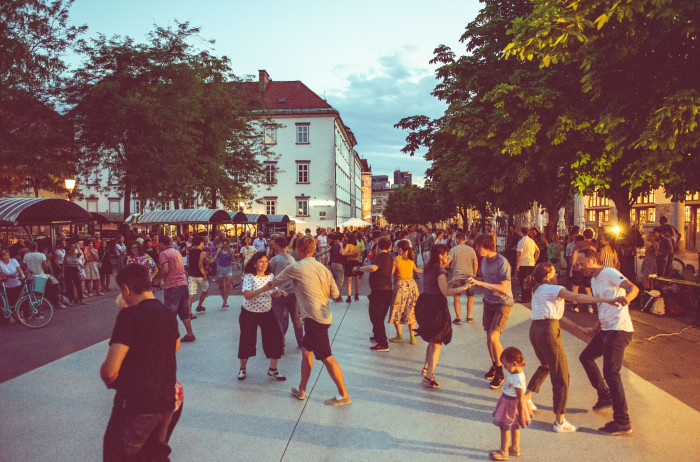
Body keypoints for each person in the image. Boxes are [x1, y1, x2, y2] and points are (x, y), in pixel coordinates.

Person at [523, 262, 626, 433]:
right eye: (555, 272)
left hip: (535, 330)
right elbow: (578, 298)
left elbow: (559, 317)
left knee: (547, 366)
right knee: (561, 376)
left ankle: (527, 397)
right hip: (548, 332)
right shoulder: (554, 289)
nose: (557, 275)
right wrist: (606, 300)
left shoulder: (539, 290)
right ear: (548, 276)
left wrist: (580, 330)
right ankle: (559, 421)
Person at [101, 264, 179, 462]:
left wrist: (111, 379)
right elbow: (175, 346)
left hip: (136, 405)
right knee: (154, 456)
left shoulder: (129, 315)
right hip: (166, 402)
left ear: (126, 289)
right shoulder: (168, 313)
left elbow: (110, 370)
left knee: (119, 455)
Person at [268, 235, 350, 406]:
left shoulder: (296, 267)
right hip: (323, 316)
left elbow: (274, 282)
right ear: (313, 249)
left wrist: (254, 289)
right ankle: (301, 390)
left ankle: (344, 394)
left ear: (299, 249)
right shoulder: (323, 268)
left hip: (314, 320)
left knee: (327, 357)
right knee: (306, 351)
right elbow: (335, 294)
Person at [576, 248, 638, 436]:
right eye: (578, 264)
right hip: (606, 329)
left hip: (619, 330)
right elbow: (602, 306)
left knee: (611, 373)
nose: (579, 268)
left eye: (582, 263)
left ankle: (623, 422)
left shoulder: (609, 272)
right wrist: (597, 327)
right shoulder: (594, 280)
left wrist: (626, 299)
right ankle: (604, 396)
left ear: (593, 260)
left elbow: (633, 288)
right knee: (586, 357)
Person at [414, 244, 472, 388]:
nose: (447, 256)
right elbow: (445, 291)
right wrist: (463, 288)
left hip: (426, 303)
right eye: (446, 254)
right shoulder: (440, 271)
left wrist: (451, 281)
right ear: (441, 255)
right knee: (437, 341)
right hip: (436, 307)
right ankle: (428, 377)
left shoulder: (429, 268)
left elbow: (436, 284)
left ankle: (426, 367)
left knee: (432, 340)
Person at [469, 233, 514, 389]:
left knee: (494, 337)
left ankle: (500, 372)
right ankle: (495, 365)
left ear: (487, 247)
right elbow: (485, 280)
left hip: (503, 302)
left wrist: (481, 284)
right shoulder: (485, 262)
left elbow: (503, 287)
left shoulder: (502, 262)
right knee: (488, 337)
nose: (475, 249)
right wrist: (472, 280)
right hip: (489, 302)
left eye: (477, 246)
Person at [237, 252, 287, 381]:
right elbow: (247, 295)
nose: (264, 264)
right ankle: (242, 368)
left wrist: (279, 292)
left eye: (266, 261)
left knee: (275, 338)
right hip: (249, 313)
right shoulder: (249, 277)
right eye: (260, 261)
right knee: (246, 340)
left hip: (266, 312)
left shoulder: (270, 276)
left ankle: (273, 369)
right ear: (254, 264)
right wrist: (263, 289)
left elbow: (273, 292)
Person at [489, 347, 532, 461]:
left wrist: (522, 415)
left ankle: (504, 453)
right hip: (509, 401)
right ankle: (514, 447)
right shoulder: (516, 371)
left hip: (511, 404)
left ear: (514, 363)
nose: (504, 368)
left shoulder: (517, 379)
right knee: (514, 426)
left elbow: (520, 397)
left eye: (506, 365)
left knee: (504, 427)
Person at [354, 236, 394, 352]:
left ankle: (383, 343)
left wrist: (358, 268)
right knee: (379, 315)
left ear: (378, 246)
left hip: (379, 290)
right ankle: (377, 335)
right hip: (387, 289)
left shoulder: (380, 256)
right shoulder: (390, 257)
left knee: (375, 316)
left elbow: (373, 268)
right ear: (389, 246)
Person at [154, 235, 196, 343]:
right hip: (183, 283)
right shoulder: (176, 252)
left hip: (172, 285)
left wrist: (157, 279)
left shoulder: (163, 253)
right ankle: (190, 333)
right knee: (184, 311)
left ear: (161, 243)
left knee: (170, 313)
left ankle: (172, 336)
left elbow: (165, 269)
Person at [268, 236, 303, 349]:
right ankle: (300, 341)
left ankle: (281, 342)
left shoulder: (274, 260)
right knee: (296, 317)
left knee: (280, 318)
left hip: (280, 292)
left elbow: (270, 275)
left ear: (277, 245)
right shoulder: (292, 259)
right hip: (292, 292)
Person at [388, 240, 423, 344]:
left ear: (400, 249)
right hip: (412, 286)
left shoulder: (396, 260)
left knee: (397, 310)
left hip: (400, 287)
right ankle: (412, 337)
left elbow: (390, 273)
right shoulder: (411, 259)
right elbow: (417, 270)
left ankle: (399, 336)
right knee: (411, 311)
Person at [447, 232, 478, 324]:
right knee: (470, 297)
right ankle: (469, 317)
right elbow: (476, 263)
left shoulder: (453, 250)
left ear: (457, 239)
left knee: (457, 298)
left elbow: (448, 262)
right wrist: (474, 274)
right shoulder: (471, 250)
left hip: (457, 276)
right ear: (464, 240)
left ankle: (458, 318)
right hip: (469, 276)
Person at [569, 229, 597, 313]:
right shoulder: (594, 245)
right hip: (589, 269)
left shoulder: (579, 244)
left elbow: (574, 256)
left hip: (578, 268)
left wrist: (571, 268)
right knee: (588, 288)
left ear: (584, 235)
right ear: (592, 236)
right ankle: (590, 307)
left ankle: (575, 306)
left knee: (575, 287)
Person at [187, 236, 209, 317]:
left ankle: (189, 312)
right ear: (200, 243)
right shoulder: (202, 252)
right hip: (199, 275)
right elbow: (200, 265)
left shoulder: (191, 251)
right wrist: (204, 275)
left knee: (191, 294)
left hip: (191, 274)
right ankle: (199, 305)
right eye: (203, 242)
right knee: (205, 289)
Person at [211, 239, 235, 308]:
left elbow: (233, 260)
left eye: (226, 244)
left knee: (227, 286)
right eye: (223, 244)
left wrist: (233, 262)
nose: (225, 245)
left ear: (228, 244)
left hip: (228, 269)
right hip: (220, 269)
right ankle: (224, 300)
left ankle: (225, 301)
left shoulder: (232, 251)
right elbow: (215, 257)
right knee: (221, 286)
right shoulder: (219, 250)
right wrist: (209, 262)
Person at [342, 234, 361, 303]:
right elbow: (356, 254)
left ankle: (349, 297)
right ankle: (356, 295)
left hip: (349, 263)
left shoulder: (348, 245)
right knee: (357, 280)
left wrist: (349, 253)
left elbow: (343, 253)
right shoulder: (357, 247)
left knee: (349, 281)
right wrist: (353, 253)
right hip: (356, 262)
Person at [328, 233, 345, 302]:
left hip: (333, 263)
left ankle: (335, 295)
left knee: (335, 280)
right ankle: (337, 296)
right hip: (339, 263)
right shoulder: (341, 244)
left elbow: (331, 254)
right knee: (339, 281)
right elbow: (342, 253)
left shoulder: (334, 245)